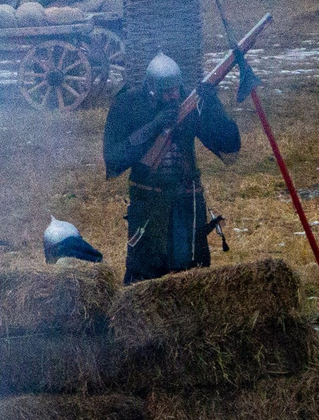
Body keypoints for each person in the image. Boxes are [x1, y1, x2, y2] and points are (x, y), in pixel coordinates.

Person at [102, 51, 241, 285]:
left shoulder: (188, 102)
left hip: (187, 200)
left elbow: (228, 146)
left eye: (176, 89)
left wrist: (213, 106)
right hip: (148, 202)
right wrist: (154, 126)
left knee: (191, 271)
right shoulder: (129, 103)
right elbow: (113, 159)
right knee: (145, 273)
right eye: (167, 92)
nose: (174, 96)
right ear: (151, 89)